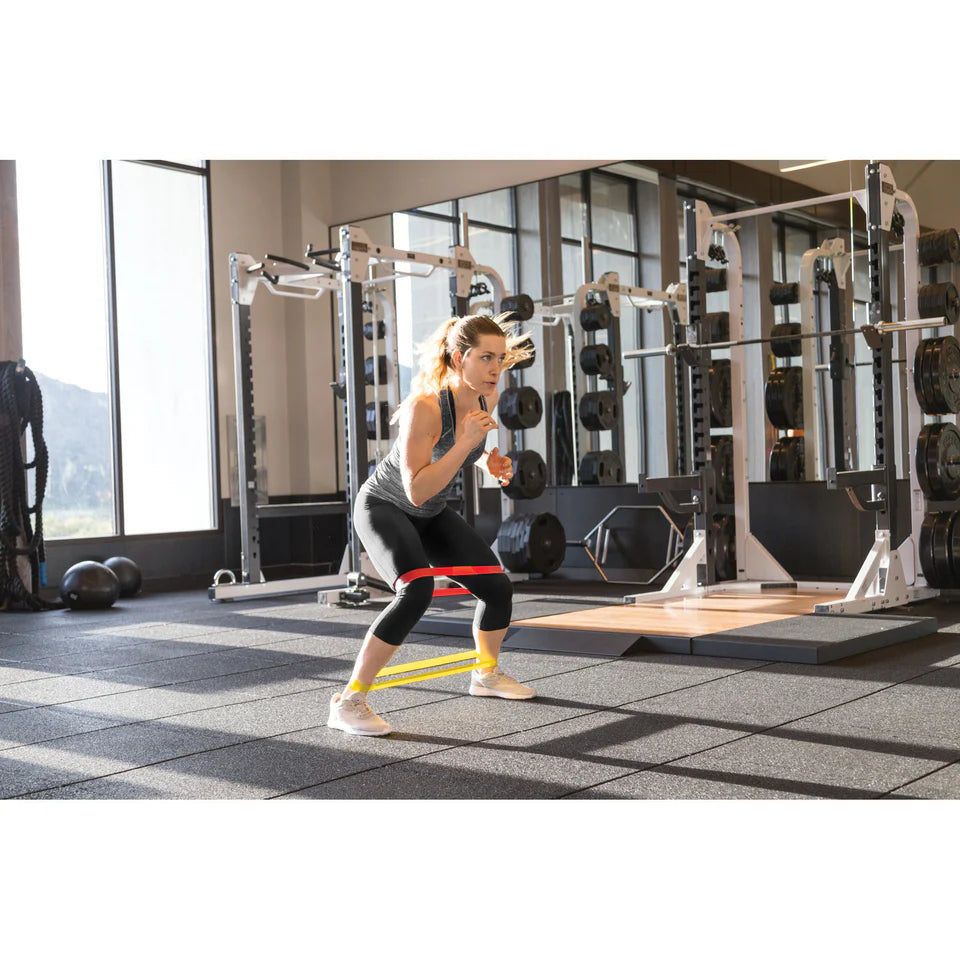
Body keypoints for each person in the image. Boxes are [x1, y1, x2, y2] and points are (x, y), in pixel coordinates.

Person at [328, 312, 536, 736]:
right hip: (385, 506)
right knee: (416, 590)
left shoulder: (486, 397)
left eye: (500, 358)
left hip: (431, 512)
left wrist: (488, 462)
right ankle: (349, 701)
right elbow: (417, 490)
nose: (496, 368)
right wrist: (466, 443)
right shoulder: (424, 408)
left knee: (497, 588)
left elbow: (463, 453)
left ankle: (486, 674)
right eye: (485, 357)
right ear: (459, 358)